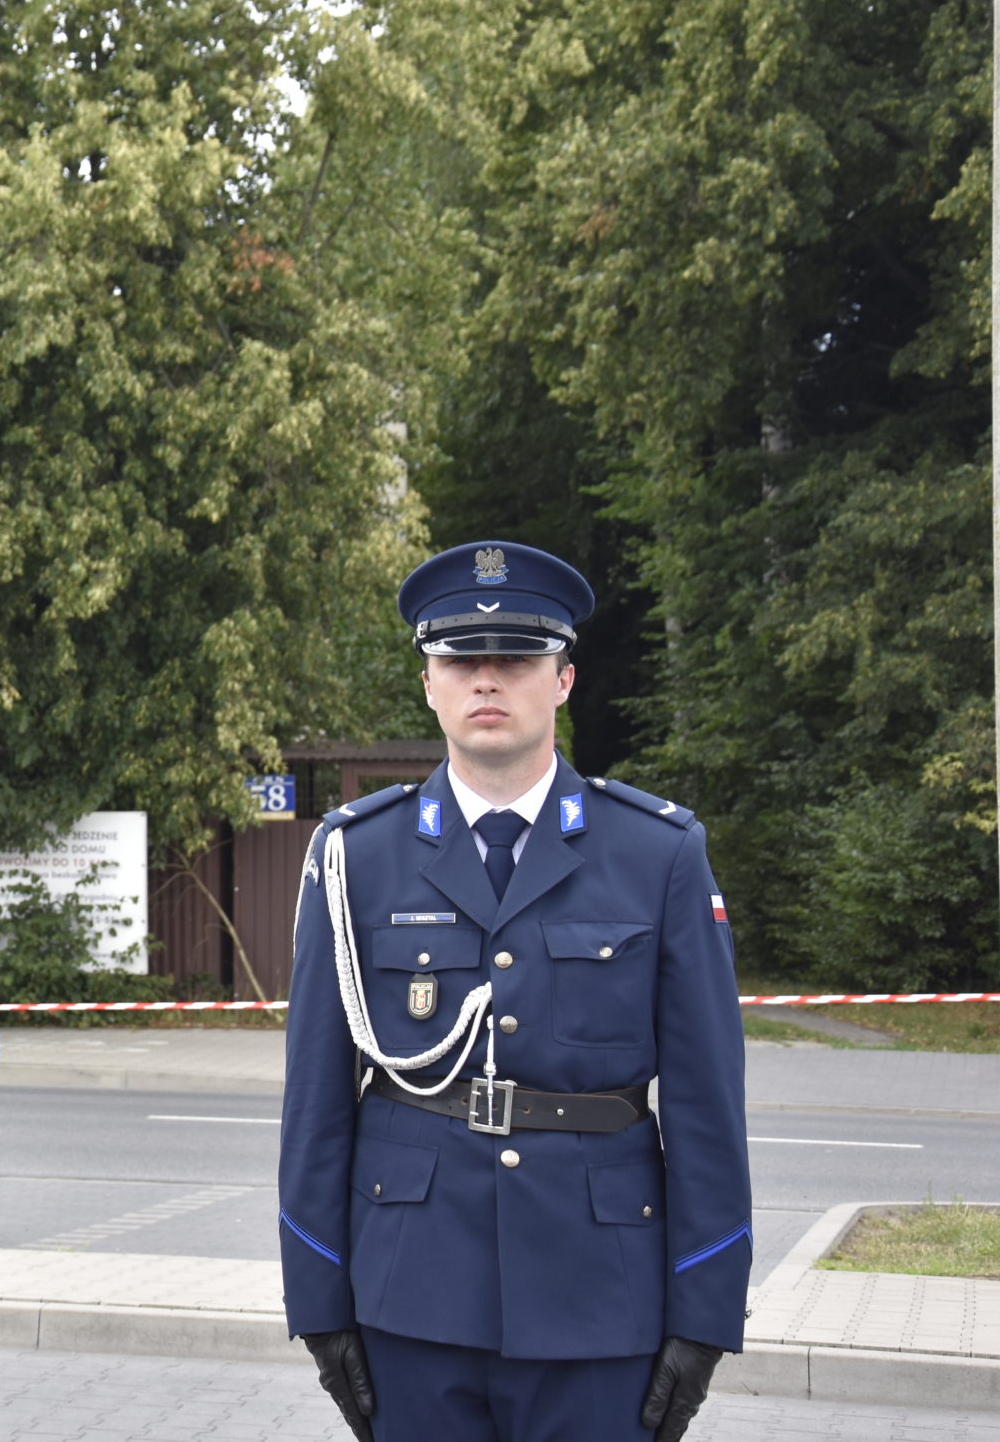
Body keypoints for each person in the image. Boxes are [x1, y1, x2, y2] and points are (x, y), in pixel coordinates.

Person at [277, 541, 751, 1442]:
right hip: (410, 1296)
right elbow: (315, 1104)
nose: (486, 679)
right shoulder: (354, 858)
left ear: (564, 679)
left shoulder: (657, 854)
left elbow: (705, 1106)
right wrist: (317, 1295)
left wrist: (705, 1310)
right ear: (429, 683)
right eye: (461, 659)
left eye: (517, 659)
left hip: (600, 1298)